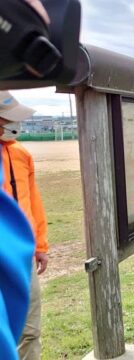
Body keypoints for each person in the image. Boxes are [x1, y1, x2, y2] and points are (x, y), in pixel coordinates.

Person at [0, 91, 49, 360]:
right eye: (7, 119)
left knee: (29, 328)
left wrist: (40, 245)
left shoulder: (21, 153)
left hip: (23, 254)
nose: (13, 125)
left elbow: (33, 202)